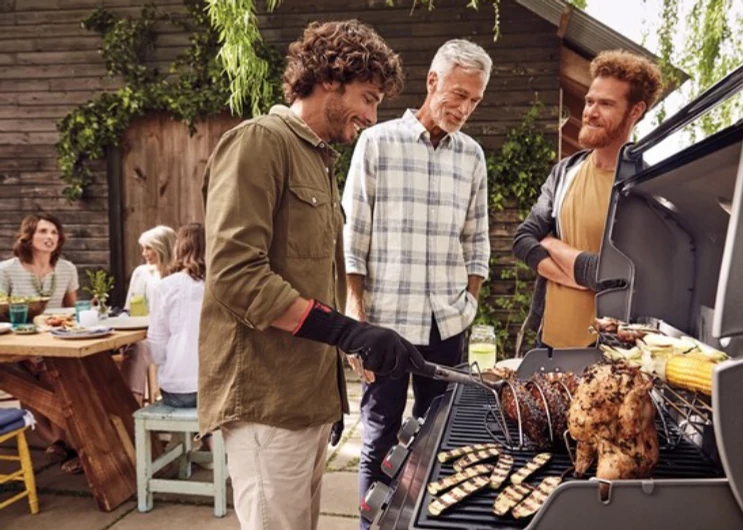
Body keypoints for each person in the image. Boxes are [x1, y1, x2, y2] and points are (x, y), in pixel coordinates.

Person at [198, 20, 421, 530]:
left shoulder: (317, 160)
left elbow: (311, 282)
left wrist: (347, 353)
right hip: (266, 402)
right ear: (329, 80)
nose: (371, 115)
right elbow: (235, 274)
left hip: (306, 398)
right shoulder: (259, 143)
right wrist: (346, 331)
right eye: (367, 97)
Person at [341, 39, 492, 529]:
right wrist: (355, 321)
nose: (464, 108)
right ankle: (372, 526)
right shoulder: (376, 142)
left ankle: (428, 523)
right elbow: (352, 239)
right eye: (458, 94)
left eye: (474, 100)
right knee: (381, 435)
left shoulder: (472, 156)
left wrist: (468, 302)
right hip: (386, 323)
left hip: (448, 322)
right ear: (432, 82)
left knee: (442, 438)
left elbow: (478, 241)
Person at [513, 50, 663, 348]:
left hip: (610, 356)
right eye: (589, 101)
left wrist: (553, 244)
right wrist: (579, 277)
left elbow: (618, 278)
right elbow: (523, 240)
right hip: (548, 346)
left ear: (635, 111)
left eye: (606, 104)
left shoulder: (648, 187)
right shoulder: (565, 172)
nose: (590, 112)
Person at [0, 214, 82, 473]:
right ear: (29, 237)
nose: (50, 237)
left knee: (52, 378)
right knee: (30, 381)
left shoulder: (67, 269)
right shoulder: (6, 270)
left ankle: (59, 444)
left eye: (55, 233)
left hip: (57, 343)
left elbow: (71, 310)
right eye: (43, 232)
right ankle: (64, 445)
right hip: (18, 343)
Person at [147, 223, 203, 409]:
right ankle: (207, 438)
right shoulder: (220, 286)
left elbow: (156, 342)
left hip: (178, 391)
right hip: (216, 390)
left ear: (178, 249)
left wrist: (169, 365)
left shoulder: (165, 286)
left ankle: (196, 438)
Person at [121, 225, 176, 405]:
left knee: (138, 348)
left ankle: (130, 404)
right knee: (135, 346)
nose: (144, 253)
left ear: (163, 247)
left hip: (169, 336)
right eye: (143, 248)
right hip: (142, 331)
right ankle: (127, 402)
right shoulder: (141, 273)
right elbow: (130, 308)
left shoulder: (179, 275)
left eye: (148, 248)